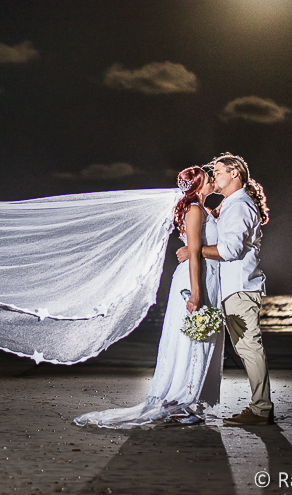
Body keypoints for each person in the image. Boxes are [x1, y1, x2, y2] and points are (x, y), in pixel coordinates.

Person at [74, 166, 225, 428]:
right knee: (189, 340)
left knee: (196, 340)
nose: (213, 182)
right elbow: (193, 255)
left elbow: (199, 249)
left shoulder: (203, 210)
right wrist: (196, 293)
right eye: (209, 180)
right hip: (194, 280)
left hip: (206, 278)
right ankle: (177, 402)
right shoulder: (193, 211)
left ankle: (187, 400)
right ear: (199, 185)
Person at [178, 153, 273, 426]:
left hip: (240, 288)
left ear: (235, 174)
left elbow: (230, 250)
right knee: (245, 347)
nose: (214, 175)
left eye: (218, 171)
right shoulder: (231, 205)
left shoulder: (240, 205)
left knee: (249, 347)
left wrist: (194, 250)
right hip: (234, 288)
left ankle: (261, 409)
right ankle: (260, 407)